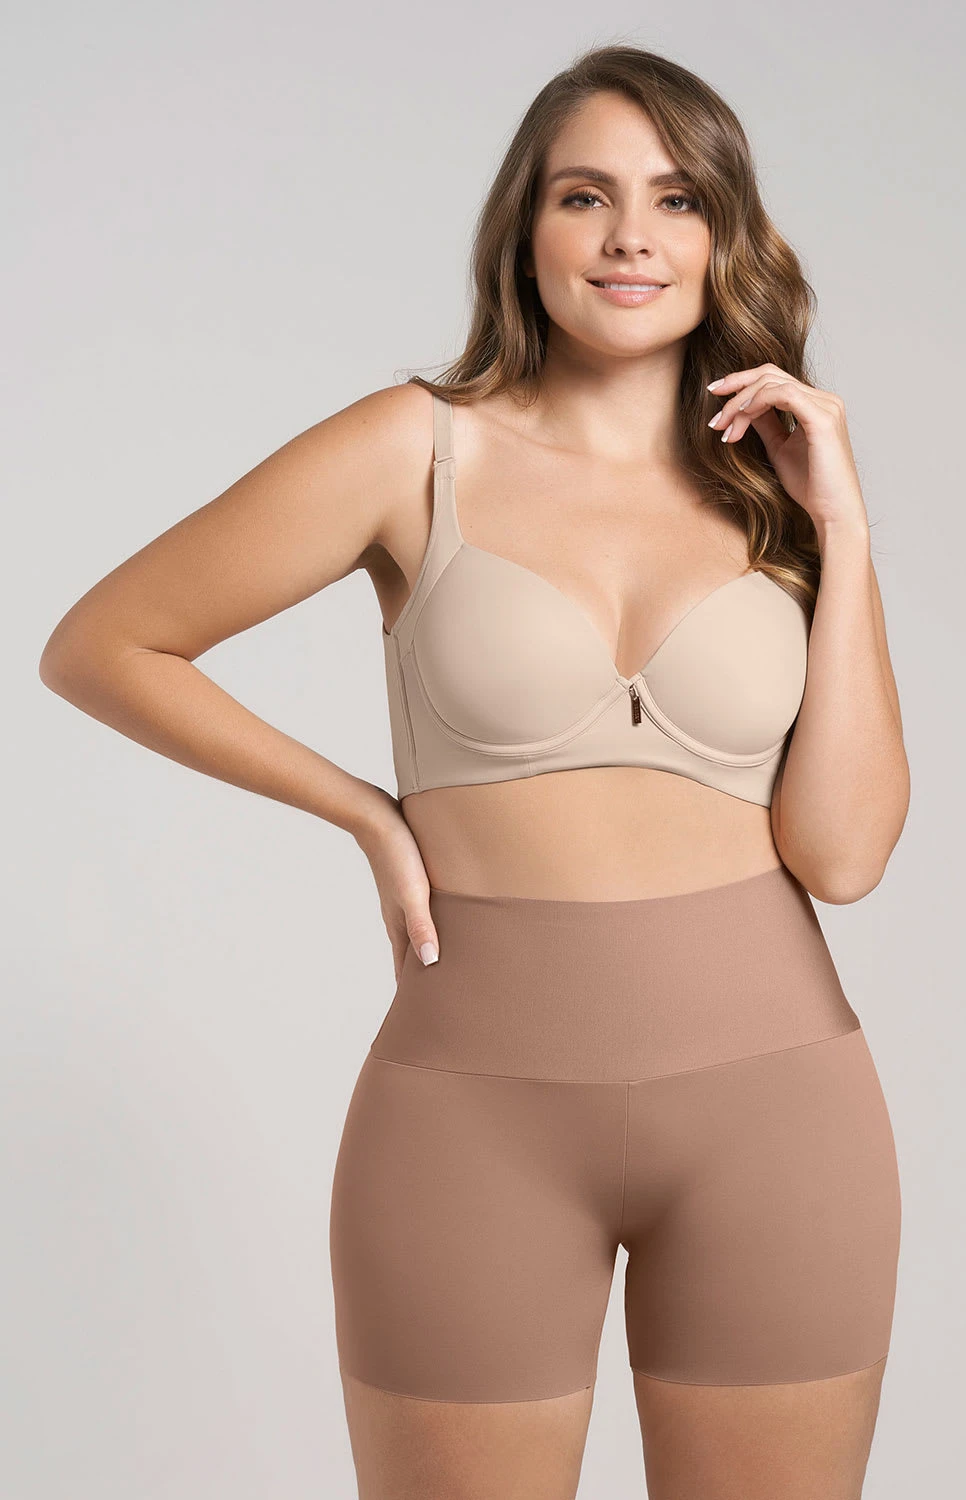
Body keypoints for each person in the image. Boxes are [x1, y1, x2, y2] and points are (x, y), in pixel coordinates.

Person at [39, 43, 909, 1500]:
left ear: (723, 239)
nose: (631, 236)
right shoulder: (416, 451)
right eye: (586, 196)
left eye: (677, 199)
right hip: (473, 1118)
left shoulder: (780, 497)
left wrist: (850, 531)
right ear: (526, 228)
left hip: (779, 1115)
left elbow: (846, 855)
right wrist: (364, 814)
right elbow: (104, 645)